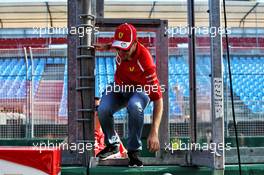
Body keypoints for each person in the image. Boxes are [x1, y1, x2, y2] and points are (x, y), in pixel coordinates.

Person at [95, 23, 163, 167]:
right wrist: (106, 47)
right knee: (102, 108)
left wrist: (154, 131)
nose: (121, 53)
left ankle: (133, 152)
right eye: (118, 48)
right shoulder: (120, 47)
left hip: (139, 91)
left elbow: (158, 99)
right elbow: (117, 45)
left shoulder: (146, 63)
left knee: (135, 106)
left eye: (125, 49)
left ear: (134, 44)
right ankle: (112, 145)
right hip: (120, 87)